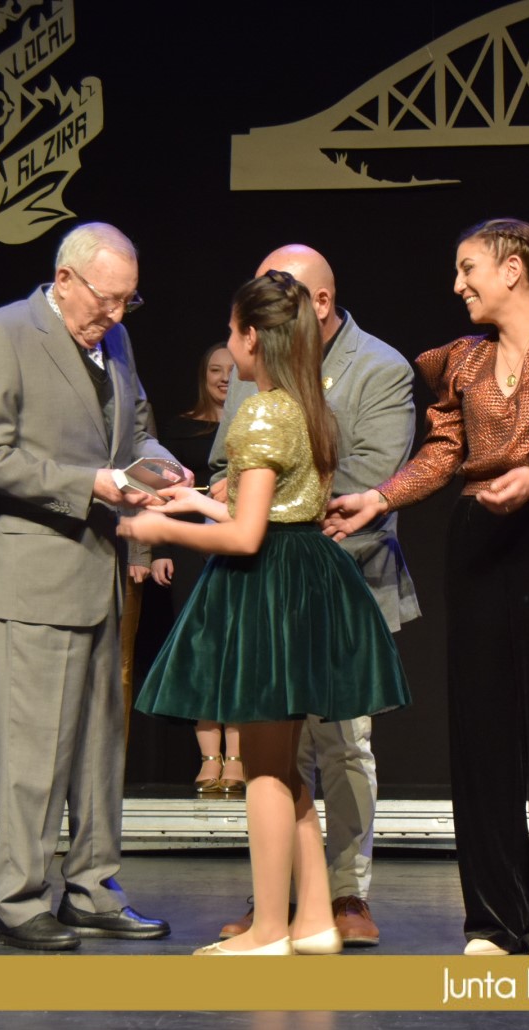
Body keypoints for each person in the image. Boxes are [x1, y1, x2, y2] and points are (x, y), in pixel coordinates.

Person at [328, 219, 529, 957]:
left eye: (467, 268)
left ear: (511, 269)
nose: (457, 284)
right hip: (478, 537)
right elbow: (445, 450)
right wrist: (380, 497)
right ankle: (493, 917)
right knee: (481, 726)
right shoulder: (466, 360)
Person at [125, 269, 410, 956]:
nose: (228, 345)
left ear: (253, 337)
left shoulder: (259, 412)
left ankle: (267, 929)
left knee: (262, 768)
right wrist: (196, 501)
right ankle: (312, 920)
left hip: (268, 585)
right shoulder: (307, 405)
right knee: (285, 768)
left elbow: (247, 535)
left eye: (232, 331)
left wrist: (157, 529)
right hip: (306, 574)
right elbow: (277, 503)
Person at [0, 221, 173, 950]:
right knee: (33, 752)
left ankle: (92, 888)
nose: (114, 312)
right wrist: (91, 485)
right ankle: (18, 900)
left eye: (126, 300)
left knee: (98, 749)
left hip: (99, 570)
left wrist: (162, 469)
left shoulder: (116, 339)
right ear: (65, 279)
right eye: (105, 298)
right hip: (36, 573)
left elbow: (135, 429)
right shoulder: (5, 332)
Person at [210, 245, 418, 946]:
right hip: (269, 587)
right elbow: (225, 461)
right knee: (275, 751)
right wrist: (227, 490)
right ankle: (285, 901)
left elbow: (371, 477)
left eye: (285, 290)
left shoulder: (380, 367)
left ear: (320, 302)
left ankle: (346, 892)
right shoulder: (255, 365)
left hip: (343, 579)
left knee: (343, 745)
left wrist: (266, 499)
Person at [138, 341, 240, 794]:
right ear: (203, 376)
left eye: (231, 369)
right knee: (200, 652)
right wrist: (160, 548)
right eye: (215, 370)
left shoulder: (252, 425)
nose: (224, 377)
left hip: (237, 545)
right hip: (187, 548)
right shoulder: (181, 429)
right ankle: (208, 757)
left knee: (235, 652)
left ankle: (237, 757)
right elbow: (161, 491)